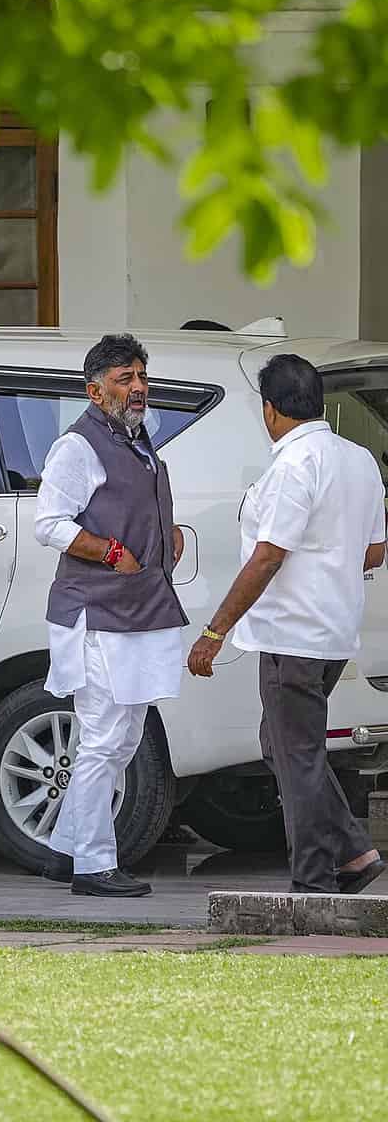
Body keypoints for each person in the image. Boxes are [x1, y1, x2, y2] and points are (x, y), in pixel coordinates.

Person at [188, 354, 386, 895]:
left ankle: (314, 880)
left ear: (269, 410)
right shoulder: (360, 459)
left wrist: (214, 631)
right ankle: (355, 851)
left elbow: (268, 556)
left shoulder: (293, 466)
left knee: (296, 756)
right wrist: (329, 562)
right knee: (282, 747)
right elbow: (374, 552)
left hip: (290, 635)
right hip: (334, 630)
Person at [34, 333, 188, 898]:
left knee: (122, 739)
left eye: (141, 377)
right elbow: (49, 522)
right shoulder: (77, 446)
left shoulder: (138, 440)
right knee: (101, 738)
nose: (139, 388)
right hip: (96, 612)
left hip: (139, 610)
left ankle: (66, 848)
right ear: (94, 391)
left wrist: (163, 533)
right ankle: (93, 866)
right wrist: (112, 552)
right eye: (125, 379)